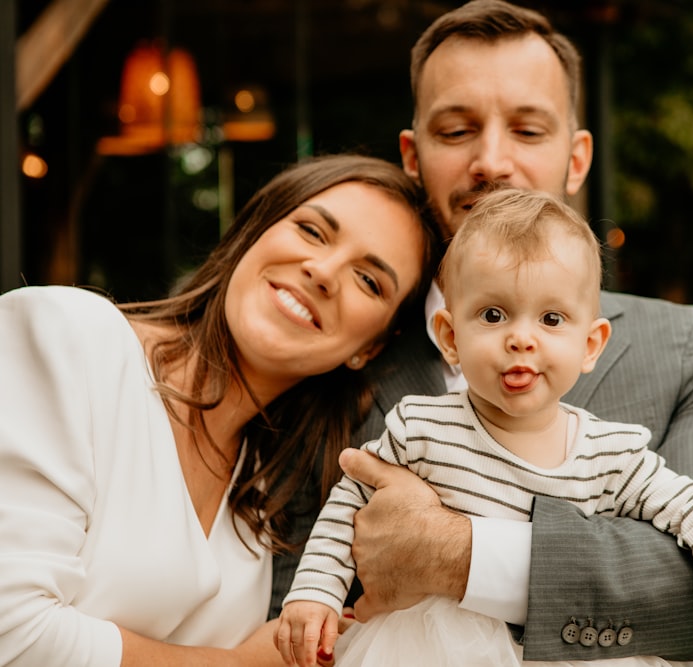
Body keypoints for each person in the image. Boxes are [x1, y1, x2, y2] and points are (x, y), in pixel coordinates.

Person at [271, 1, 693, 663]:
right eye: (456, 130)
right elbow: (286, 602)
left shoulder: (688, 349)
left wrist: (461, 556)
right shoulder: (342, 346)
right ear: (413, 155)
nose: (492, 160)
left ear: (576, 159)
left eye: (528, 130)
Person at [275, 189, 693, 667]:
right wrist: (316, 592)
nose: (521, 338)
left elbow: (681, 502)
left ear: (590, 345)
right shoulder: (422, 427)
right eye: (493, 314)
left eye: (552, 318)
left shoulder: (609, 452)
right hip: (429, 647)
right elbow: (350, 504)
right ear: (451, 337)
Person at [0, 153, 439, 667]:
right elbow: (13, 630)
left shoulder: (268, 496)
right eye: (313, 232)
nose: (323, 271)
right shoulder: (67, 337)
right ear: (254, 231)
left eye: (369, 281)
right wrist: (238, 664)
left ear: (370, 347)